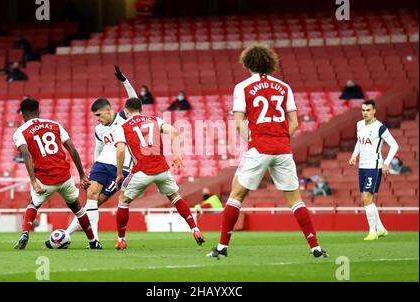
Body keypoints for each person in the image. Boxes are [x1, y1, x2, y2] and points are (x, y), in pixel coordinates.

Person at [207, 44, 327, 258]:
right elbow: (294, 122)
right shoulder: (284, 87)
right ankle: (316, 247)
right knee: (295, 200)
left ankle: (222, 247)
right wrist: (280, 137)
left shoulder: (242, 87)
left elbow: (238, 124)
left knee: (236, 194)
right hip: (282, 148)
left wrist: (252, 140)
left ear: (247, 63)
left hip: (259, 146)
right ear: (271, 62)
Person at [113, 97, 205, 250]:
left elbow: (120, 150)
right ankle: (195, 230)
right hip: (162, 169)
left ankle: (121, 240)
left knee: (123, 201)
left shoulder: (122, 126)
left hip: (141, 171)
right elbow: (174, 131)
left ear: (126, 111)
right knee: (175, 197)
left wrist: (119, 174)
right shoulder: (155, 119)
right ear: (141, 110)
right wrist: (177, 154)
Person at [12, 97, 102, 250]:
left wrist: (33, 180)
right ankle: (93, 241)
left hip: (44, 180)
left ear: (23, 115)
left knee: (33, 204)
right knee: (78, 209)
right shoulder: (55, 125)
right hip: (64, 177)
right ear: (38, 112)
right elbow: (72, 149)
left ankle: (25, 233)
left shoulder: (20, 132)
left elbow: (26, 155)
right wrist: (82, 175)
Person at [65, 65, 136, 241]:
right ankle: (90, 239)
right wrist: (92, 171)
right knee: (90, 198)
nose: (97, 119)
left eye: (99, 115)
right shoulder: (99, 130)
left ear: (108, 110)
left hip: (121, 168)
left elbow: (134, 100)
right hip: (101, 165)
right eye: (95, 116)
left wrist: (125, 81)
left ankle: (67, 233)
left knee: (96, 202)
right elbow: (98, 149)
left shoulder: (123, 118)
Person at [349, 99, 399, 241]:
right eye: (363, 110)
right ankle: (381, 229)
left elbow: (394, 145)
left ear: (374, 111)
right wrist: (354, 155)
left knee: (366, 197)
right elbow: (360, 141)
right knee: (366, 199)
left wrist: (386, 163)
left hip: (374, 166)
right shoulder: (359, 125)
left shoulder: (380, 127)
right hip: (362, 166)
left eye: (368, 110)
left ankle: (373, 232)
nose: (365, 113)